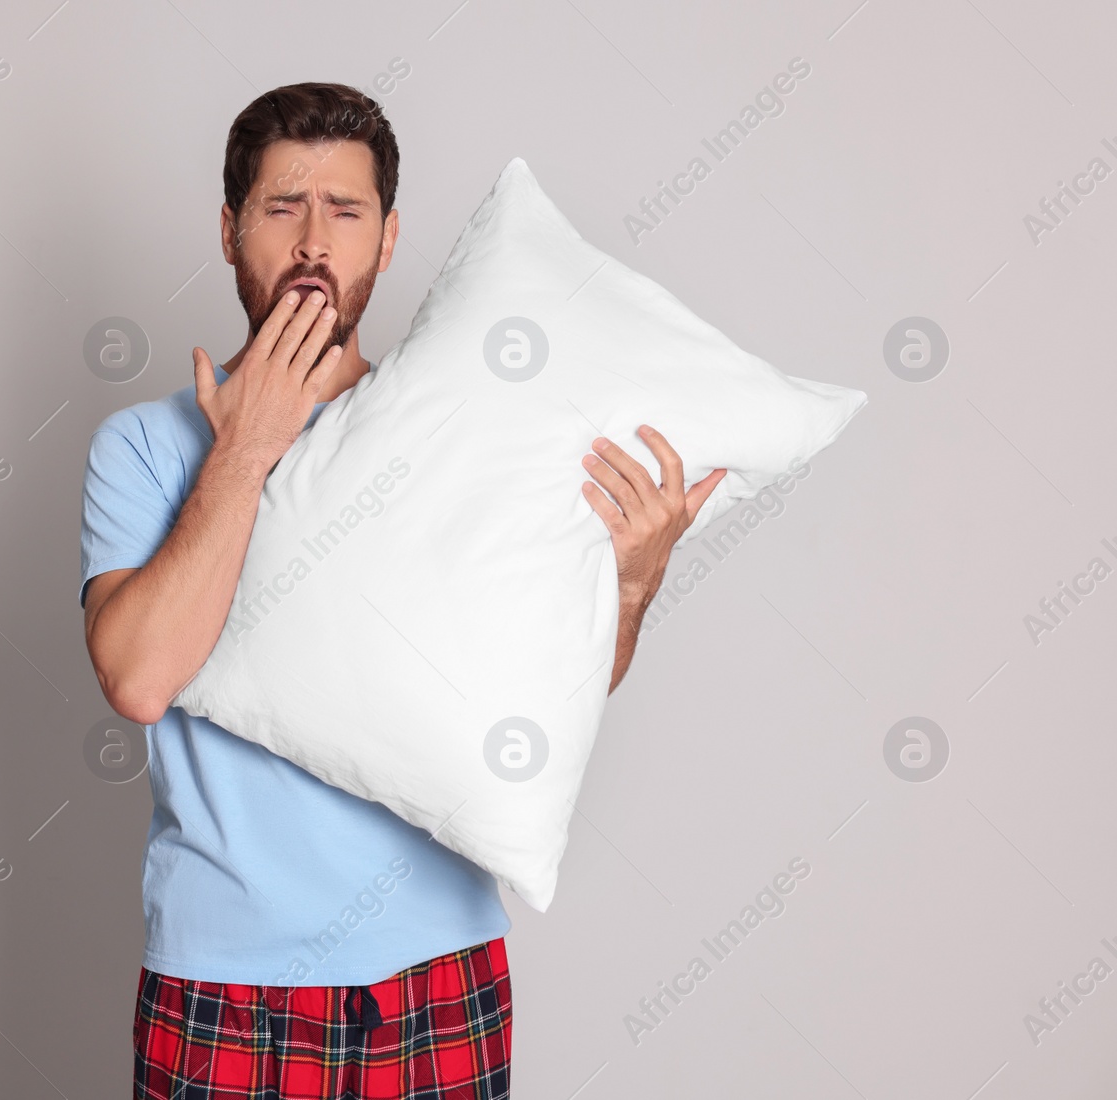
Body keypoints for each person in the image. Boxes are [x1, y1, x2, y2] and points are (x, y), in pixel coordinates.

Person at [78, 81, 725, 1100]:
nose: (311, 241)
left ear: (386, 241)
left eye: (344, 211)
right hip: (223, 980)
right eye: (281, 207)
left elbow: (524, 707)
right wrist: (245, 447)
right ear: (228, 229)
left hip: (436, 971)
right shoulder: (146, 448)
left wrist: (632, 589)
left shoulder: (460, 438)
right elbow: (140, 678)